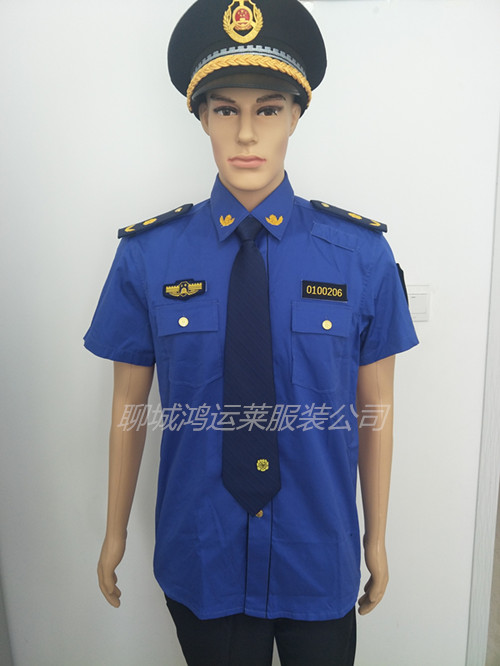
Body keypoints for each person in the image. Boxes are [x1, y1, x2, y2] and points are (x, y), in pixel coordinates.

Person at [84, 1, 418, 664]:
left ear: (296, 116)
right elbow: (128, 409)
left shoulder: (360, 257)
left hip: (316, 553)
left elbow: (376, 411)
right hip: (203, 553)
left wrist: (376, 539)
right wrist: (113, 531)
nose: (245, 133)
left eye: (267, 109)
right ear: (201, 118)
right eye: (224, 110)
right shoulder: (148, 257)